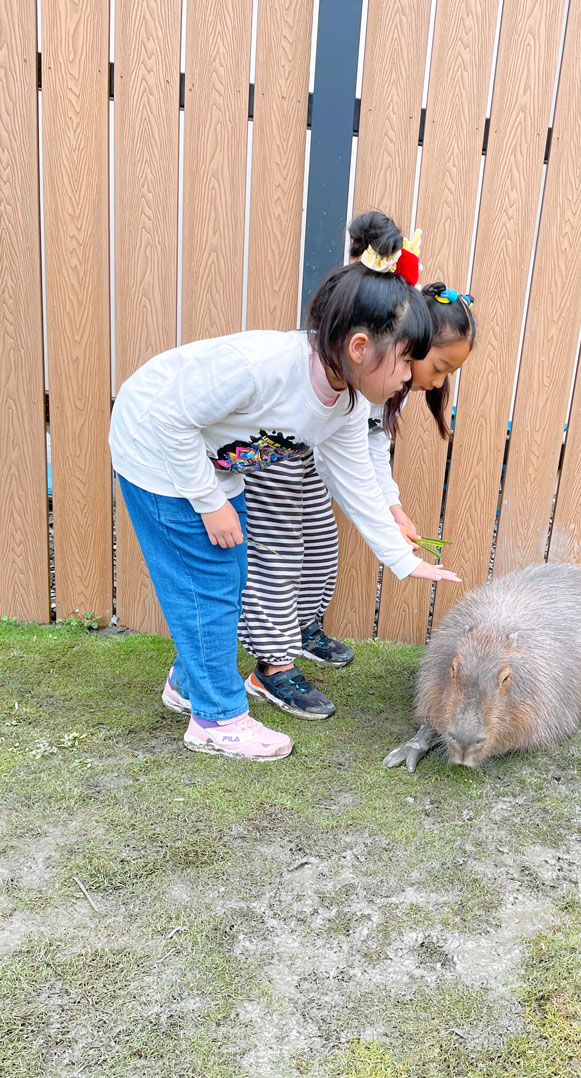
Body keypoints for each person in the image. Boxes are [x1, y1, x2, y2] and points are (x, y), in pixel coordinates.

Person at [108, 210, 460, 761]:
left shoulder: (346, 403)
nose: (406, 379)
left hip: (209, 463)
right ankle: (217, 719)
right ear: (362, 347)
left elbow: (356, 484)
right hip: (155, 451)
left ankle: (188, 681)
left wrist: (401, 557)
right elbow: (168, 419)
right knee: (208, 580)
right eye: (407, 361)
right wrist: (208, 502)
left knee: (227, 575)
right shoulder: (263, 367)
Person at [232, 213, 476, 719]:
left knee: (320, 542)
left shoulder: (392, 384)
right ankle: (271, 667)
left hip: (319, 464)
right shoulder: (375, 373)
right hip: (278, 457)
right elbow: (353, 448)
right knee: (277, 554)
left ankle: (301, 629)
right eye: (439, 366)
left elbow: (370, 450)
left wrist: (393, 510)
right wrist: (390, 521)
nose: (436, 380)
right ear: (408, 343)